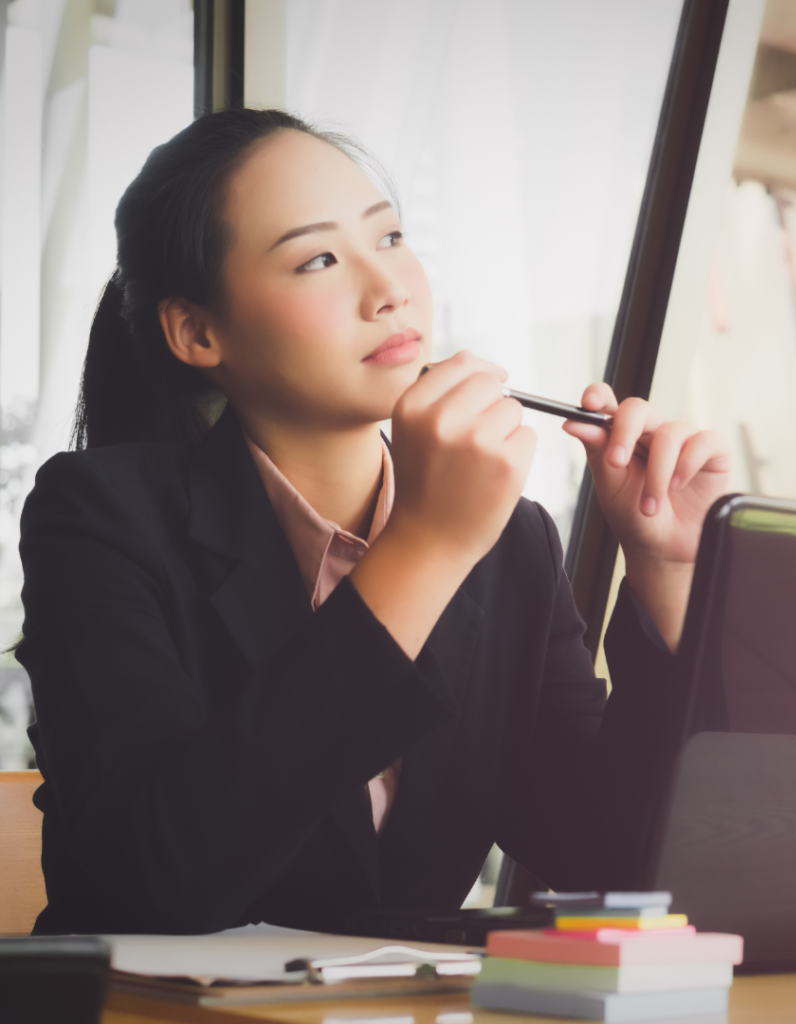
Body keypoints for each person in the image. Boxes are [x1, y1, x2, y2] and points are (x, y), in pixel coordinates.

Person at [18, 109, 729, 936]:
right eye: (318, 258)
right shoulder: (98, 516)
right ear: (197, 331)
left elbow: (614, 858)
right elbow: (159, 879)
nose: (389, 287)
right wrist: (425, 546)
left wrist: (670, 574)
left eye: (389, 239)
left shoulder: (512, 544)